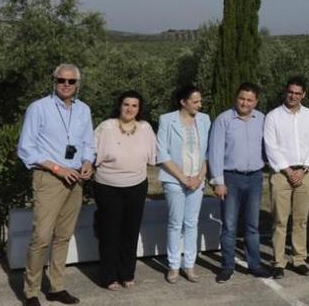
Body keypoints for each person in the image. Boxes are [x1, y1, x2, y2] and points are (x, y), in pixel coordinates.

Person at [18, 64, 95, 306]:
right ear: (54, 81)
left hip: (76, 179)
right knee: (41, 236)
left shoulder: (84, 110)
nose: (66, 84)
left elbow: (88, 143)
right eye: (61, 80)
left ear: (77, 84)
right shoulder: (39, 108)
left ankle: (56, 287)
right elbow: (26, 148)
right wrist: (57, 168)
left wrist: (87, 162)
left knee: (63, 236)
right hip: (49, 177)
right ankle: (31, 291)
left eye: (71, 81)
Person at [93, 90, 156, 291]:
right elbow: (91, 154)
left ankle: (127, 274)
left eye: (134, 105)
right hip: (107, 187)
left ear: (139, 109)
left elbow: (153, 157)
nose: (130, 109)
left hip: (137, 186)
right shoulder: (106, 127)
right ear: (120, 106)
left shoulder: (146, 128)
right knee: (110, 232)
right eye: (126, 104)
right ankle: (108, 277)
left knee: (130, 232)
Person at [208, 83, 270, 283]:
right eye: (242, 98)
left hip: (254, 178)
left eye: (249, 100)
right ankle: (227, 266)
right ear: (237, 98)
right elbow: (215, 151)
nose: (245, 103)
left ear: (256, 101)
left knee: (253, 225)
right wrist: (218, 181)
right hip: (230, 178)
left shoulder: (262, 119)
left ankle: (255, 264)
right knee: (230, 225)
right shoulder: (223, 119)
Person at [264, 76, 309, 279]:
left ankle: (299, 259)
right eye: (290, 92)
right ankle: (278, 262)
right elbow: (271, 147)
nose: (293, 96)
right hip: (281, 174)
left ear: (303, 94)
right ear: (285, 92)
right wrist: (288, 171)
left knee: (301, 220)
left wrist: (303, 170)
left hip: (305, 173)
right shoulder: (273, 117)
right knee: (279, 220)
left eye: (298, 93)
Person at [157, 85, 210, 284]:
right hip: (174, 179)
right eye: (195, 101)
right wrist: (183, 178)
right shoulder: (166, 119)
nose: (199, 105)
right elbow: (162, 154)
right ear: (183, 102)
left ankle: (189, 265)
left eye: (200, 101)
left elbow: (206, 153)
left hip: (197, 180)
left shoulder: (204, 120)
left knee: (191, 223)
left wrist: (199, 177)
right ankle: (173, 266)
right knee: (175, 223)